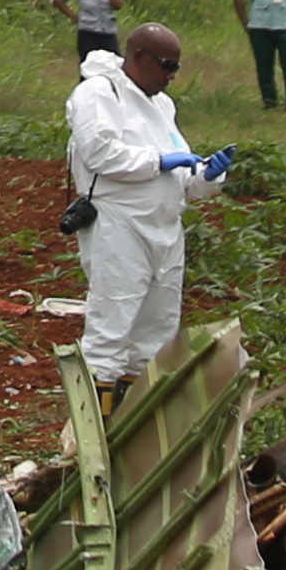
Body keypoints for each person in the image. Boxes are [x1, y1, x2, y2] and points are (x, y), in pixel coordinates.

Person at [65, 23, 234, 417]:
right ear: (138, 57)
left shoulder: (162, 106)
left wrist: (207, 175)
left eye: (177, 67)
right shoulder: (97, 93)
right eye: (166, 65)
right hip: (119, 227)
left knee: (155, 336)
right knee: (112, 327)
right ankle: (94, 432)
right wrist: (159, 162)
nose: (172, 75)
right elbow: (100, 153)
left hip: (165, 230)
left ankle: (134, 428)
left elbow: (181, 177)